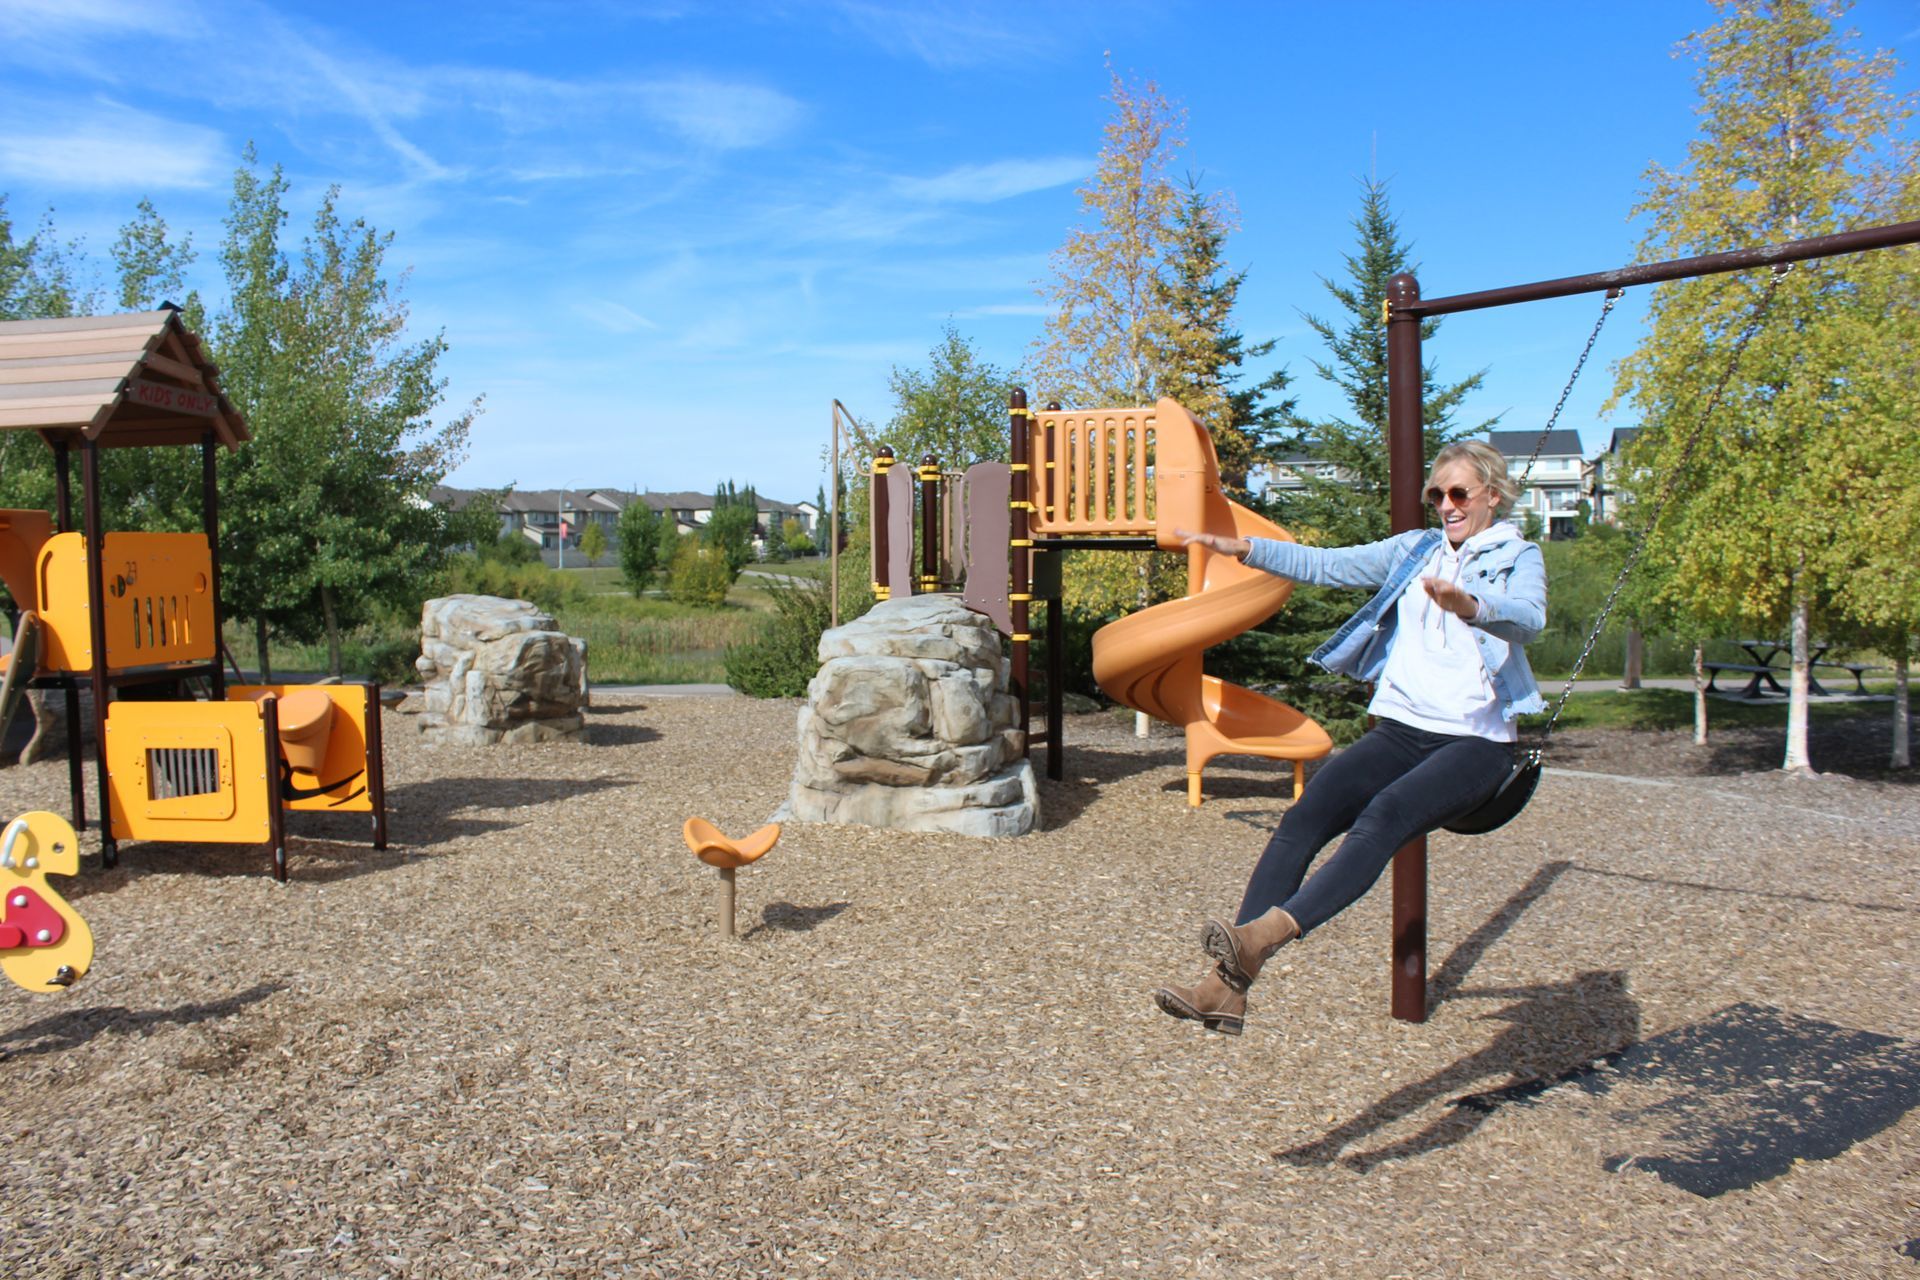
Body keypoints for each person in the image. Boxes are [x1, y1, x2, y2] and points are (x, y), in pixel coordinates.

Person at [1154, 439, 1547, 1036]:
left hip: (1476, 743)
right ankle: (1225, 990)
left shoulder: (1518, 555)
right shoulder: (1415, 551)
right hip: (1402, 730)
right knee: (1304, 817)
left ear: (1492, 495)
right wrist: (1244, 549)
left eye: (1459, 492)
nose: (1446, 504)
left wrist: (1468, 603)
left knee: (1384, 814)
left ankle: (1260, 937)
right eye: (1436, 494)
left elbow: (1529, 618)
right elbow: (1328, 564)